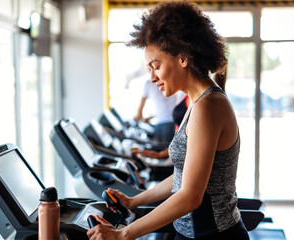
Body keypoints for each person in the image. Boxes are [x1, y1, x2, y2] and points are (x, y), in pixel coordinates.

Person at [87, 1, 248, 240]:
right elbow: (183, 176)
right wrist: (133, 200)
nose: (152, 78)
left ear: (183, 58)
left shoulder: (208, 106)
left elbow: (191, 196)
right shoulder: (196, 103)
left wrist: (123, 235)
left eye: (156, 66)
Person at [134, 79, 182, 144]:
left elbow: (139, 113)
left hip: (163, 124)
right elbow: (166, 106)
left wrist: (137, 118)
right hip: (176, 122)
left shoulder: (149, 83)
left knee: (161, 149)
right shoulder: (169, 80)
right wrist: (151, 117)